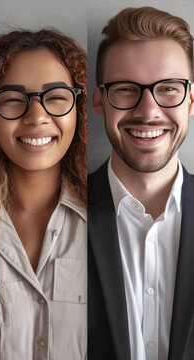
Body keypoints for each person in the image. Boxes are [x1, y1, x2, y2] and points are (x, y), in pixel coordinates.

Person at [89, 7, 194, 359]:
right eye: (126, 89)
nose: (148, 111)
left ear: (191, 99)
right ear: (99, 100)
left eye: (168, 89)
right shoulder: (57, 212)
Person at [0, 29, 87, 359]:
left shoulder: (108, 219)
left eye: (56, 97)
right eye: (13, 98)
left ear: (79, 108)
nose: (37, 116)